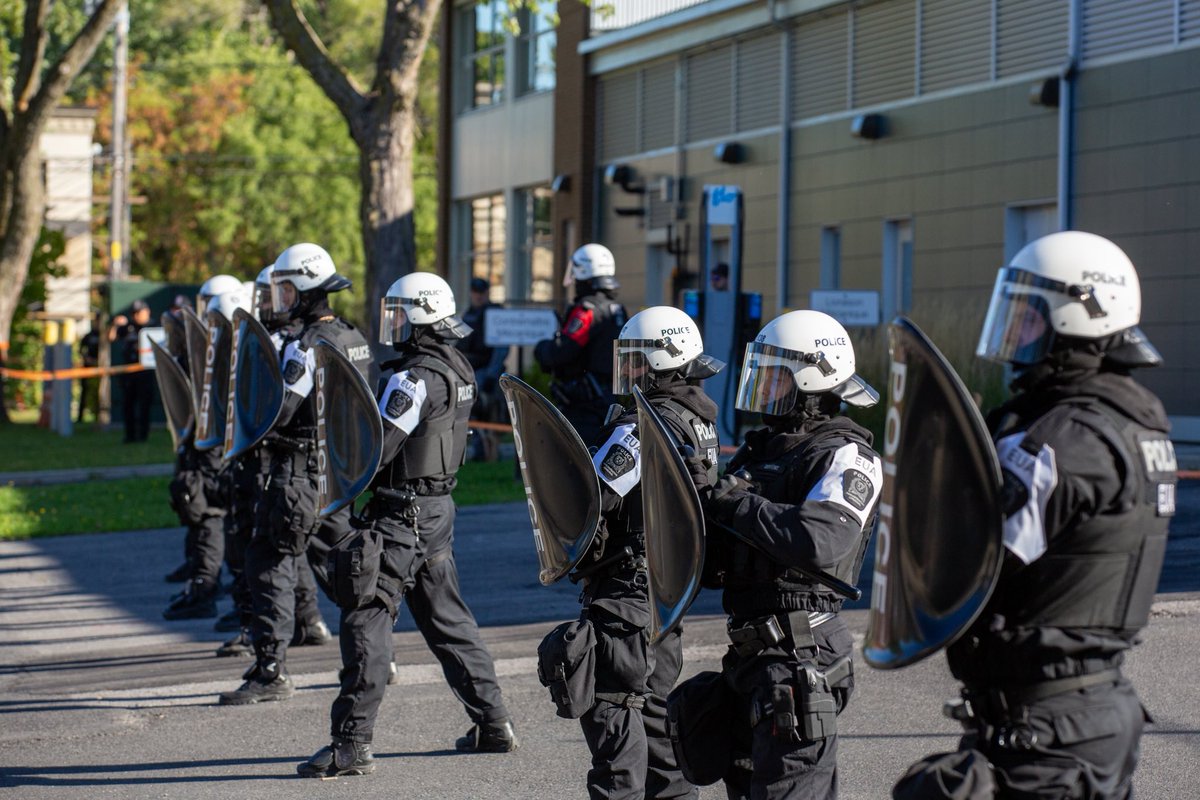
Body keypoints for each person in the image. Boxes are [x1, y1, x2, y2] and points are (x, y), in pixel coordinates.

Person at [894, 231, 1177, 800]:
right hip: (1083, 713)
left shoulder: (1059, 441)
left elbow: (970, 563)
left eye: (1027, 318)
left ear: (1076, 316)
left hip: (1047, 728)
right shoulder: (1130, 422)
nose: (1014, 333)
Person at [298, 272, 517, 778]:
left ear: (418, 317)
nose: (391, 324)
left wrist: (340, 480)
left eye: (398, 314)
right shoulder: (457, 366)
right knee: (448, 622)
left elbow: (377, 450)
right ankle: (494, 722)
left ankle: (351, 745)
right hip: (437, 512)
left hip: (400, 516)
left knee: (367, 618)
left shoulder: (412, 378)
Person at [693, 310, 882, 800]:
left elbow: (822, 541)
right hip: (752, 657)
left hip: (803, 654)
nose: (762, 386)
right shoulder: (760, 451)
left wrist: (734, 503)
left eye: (774, 375)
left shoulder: (846, 454)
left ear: (812, 379)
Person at [560, 305, 721, 800]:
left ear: (664, 365)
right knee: (654, 716)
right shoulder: (696, 419)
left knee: (613, 710)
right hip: (664, 588)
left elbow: (592, 497)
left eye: (636, 362)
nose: (627, 371)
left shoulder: (642, 428)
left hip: (627, 591)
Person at [219, 243, 373, 705]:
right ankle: (378, 658)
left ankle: (271, 671)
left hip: (296, 473)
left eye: (285, 290)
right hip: (337, 473)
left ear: (304, 291)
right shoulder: (351, 334)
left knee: (269, 562)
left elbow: (280, 409)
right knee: (345, 570)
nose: (279, 300)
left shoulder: (306, 346)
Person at [216, 266, 331, 657]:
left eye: (274, 295)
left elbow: (278, 409)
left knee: (266, 553)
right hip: (308, 464)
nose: (268, 304)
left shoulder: (294, 343)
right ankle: (310, 620)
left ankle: (266, 648)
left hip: (281, 461)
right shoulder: (326, 336)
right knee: (301, 551)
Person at [161, 282, 246, 620]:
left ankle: (209, 587)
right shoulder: (212, 348)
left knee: (209, 510)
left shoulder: (235, 349)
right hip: (204, 440)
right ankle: (203, 580)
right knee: (196, 504)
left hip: (218, 447)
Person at [534, 243, 627, 445]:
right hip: (611, 399)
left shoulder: (587, 310)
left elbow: (563, 351)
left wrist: (542, 349)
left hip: (586, 406)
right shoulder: (617, 309)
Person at [457, 276, 508, 461]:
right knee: (474, 412)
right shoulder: (468, 313)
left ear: (487, 292)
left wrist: (491, 375)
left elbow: (501, 347)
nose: (478, 296)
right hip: (469, 371)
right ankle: (480, 450)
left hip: (487, 372)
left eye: (481, 292)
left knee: (491, 414)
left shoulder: (494, 312)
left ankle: (491, 453)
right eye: (475, 292)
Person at [108, 299, 154, 442]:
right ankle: (130, 435)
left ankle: (143, 435)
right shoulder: (128, 327)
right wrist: (115, 325)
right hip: (129, 372)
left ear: (147, 312)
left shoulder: (153, 326)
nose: (136, 316)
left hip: (146, 372)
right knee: (128, 405)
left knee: (144, 405)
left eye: (139, 312)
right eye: (134, 313)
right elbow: (111, 338)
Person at [76, 316, 101, 424]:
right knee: (85, 391)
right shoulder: (88, 336)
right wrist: (87, 359)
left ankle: (97, 416)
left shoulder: (103, 335)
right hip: (87, 367)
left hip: (99, 367)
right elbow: (81, 350)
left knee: (98, 393)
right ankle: (80, 417)